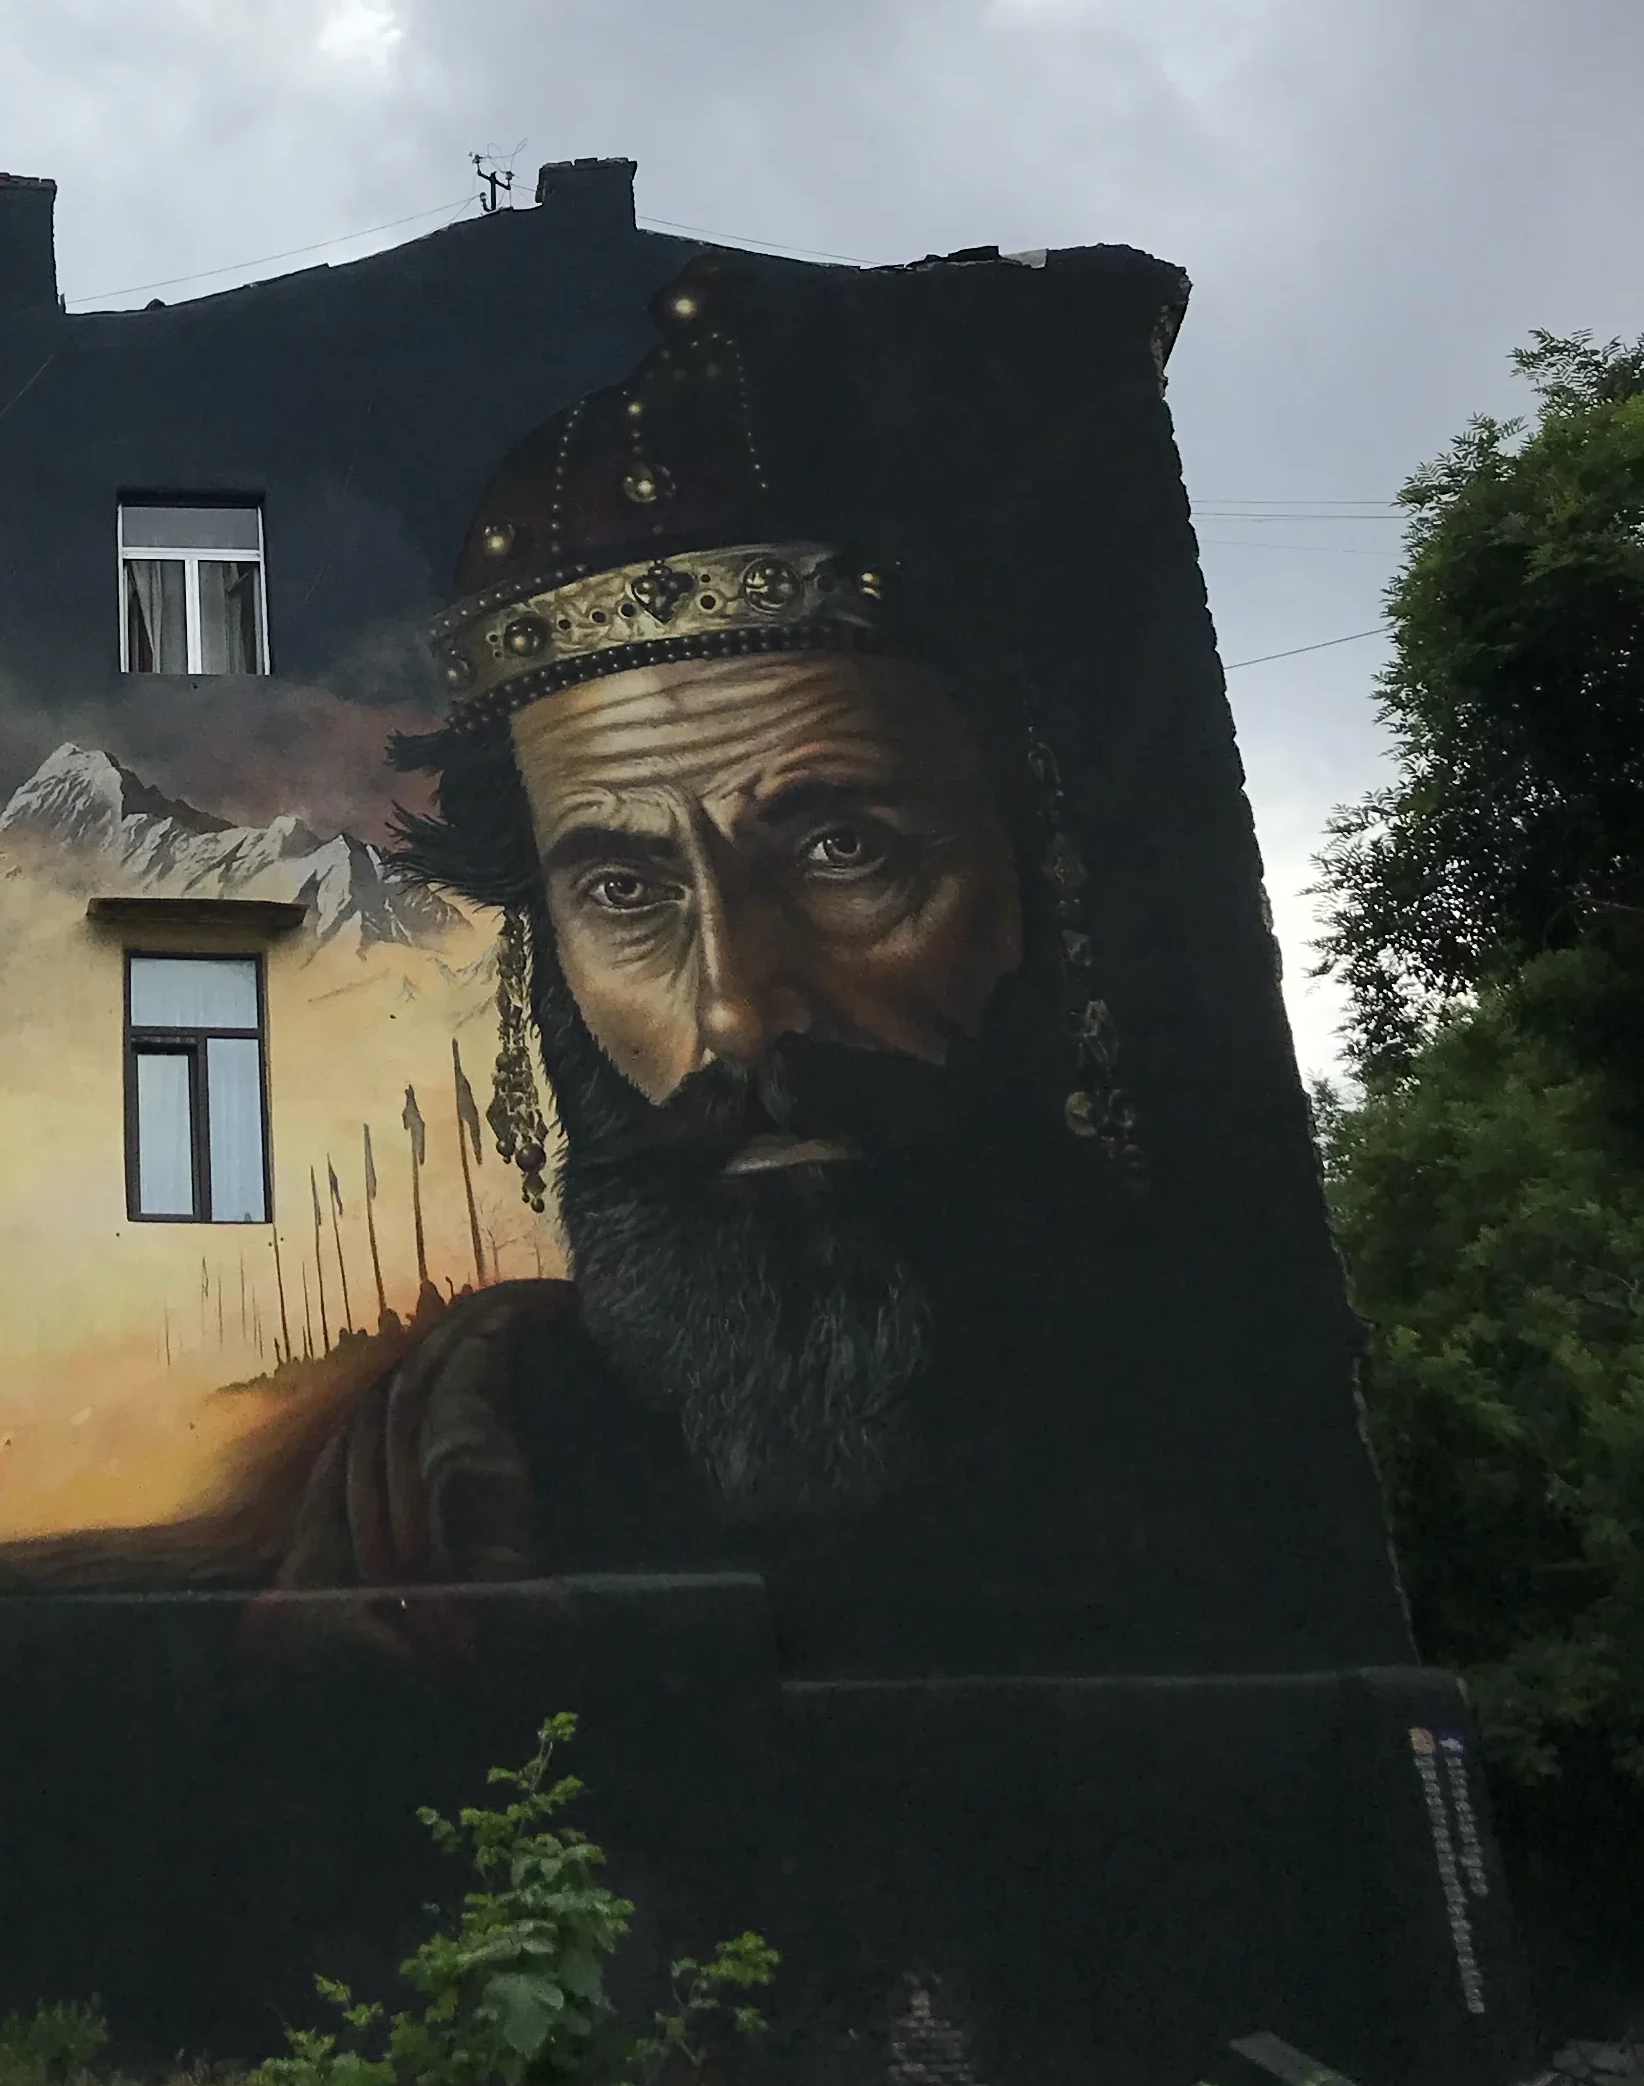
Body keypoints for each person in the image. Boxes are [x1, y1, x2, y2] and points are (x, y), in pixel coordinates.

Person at [208, 248, 1217, 1667]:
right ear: (546, 970)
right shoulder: (431, 1507)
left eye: (843, 851)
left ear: (1033, 865)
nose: (742, 1009)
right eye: (624, 889)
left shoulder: (1231, 1419)